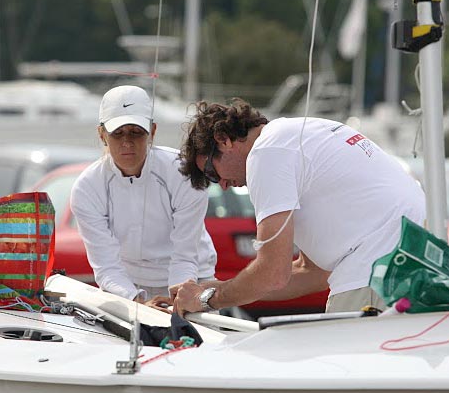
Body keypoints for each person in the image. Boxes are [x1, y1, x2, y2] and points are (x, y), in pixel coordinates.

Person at [171, 98, 425, 316]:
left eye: (212, 173)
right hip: (423, 264)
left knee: (349, 371)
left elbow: (272, 274)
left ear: (223, 140)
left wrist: (205, 300)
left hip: (375, 277)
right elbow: (310, 272)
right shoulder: (299, 132)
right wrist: (218, 288)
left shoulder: (265, 153)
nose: (223, 186)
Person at [70, 85, 217, 310]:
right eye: (117, 133)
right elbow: (106, 267)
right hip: (128, 286)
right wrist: (138, 302)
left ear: (152, 131)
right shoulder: (87, 188)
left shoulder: (184, 173)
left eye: (136, 132)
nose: (127, 142)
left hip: (195, 277)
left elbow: (186, 255)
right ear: (102, 135)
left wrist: (178, 297)